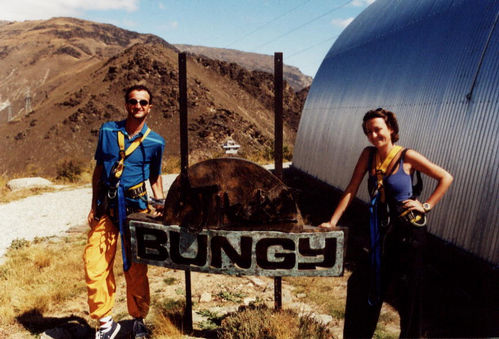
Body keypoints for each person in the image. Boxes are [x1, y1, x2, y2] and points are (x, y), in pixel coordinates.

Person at [320, 108, 453, 338]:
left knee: (409, 295)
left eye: (378, 129)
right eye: (368, 131)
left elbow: (445, 177)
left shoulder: (407, 156)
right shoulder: (368, 155)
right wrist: (332, 222)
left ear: (391, 129)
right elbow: (352, 189)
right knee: (361, 284)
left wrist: (426, 206)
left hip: (409, 234)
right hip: (384, 233)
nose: (373, 135)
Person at [84, 84, 165, 339]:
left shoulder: (155, 142)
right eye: (133, 101)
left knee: (136, 268)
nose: (138, 106)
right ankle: (107, 324)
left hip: (136, 209)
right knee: (94, 263)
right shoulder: (108, 131)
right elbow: (99, 170)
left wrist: (160, 203)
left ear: (149, 107)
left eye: (143, 102)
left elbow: (155, 176)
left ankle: (138, 319)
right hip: (107, 209)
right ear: (126, 104)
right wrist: (93, 205)